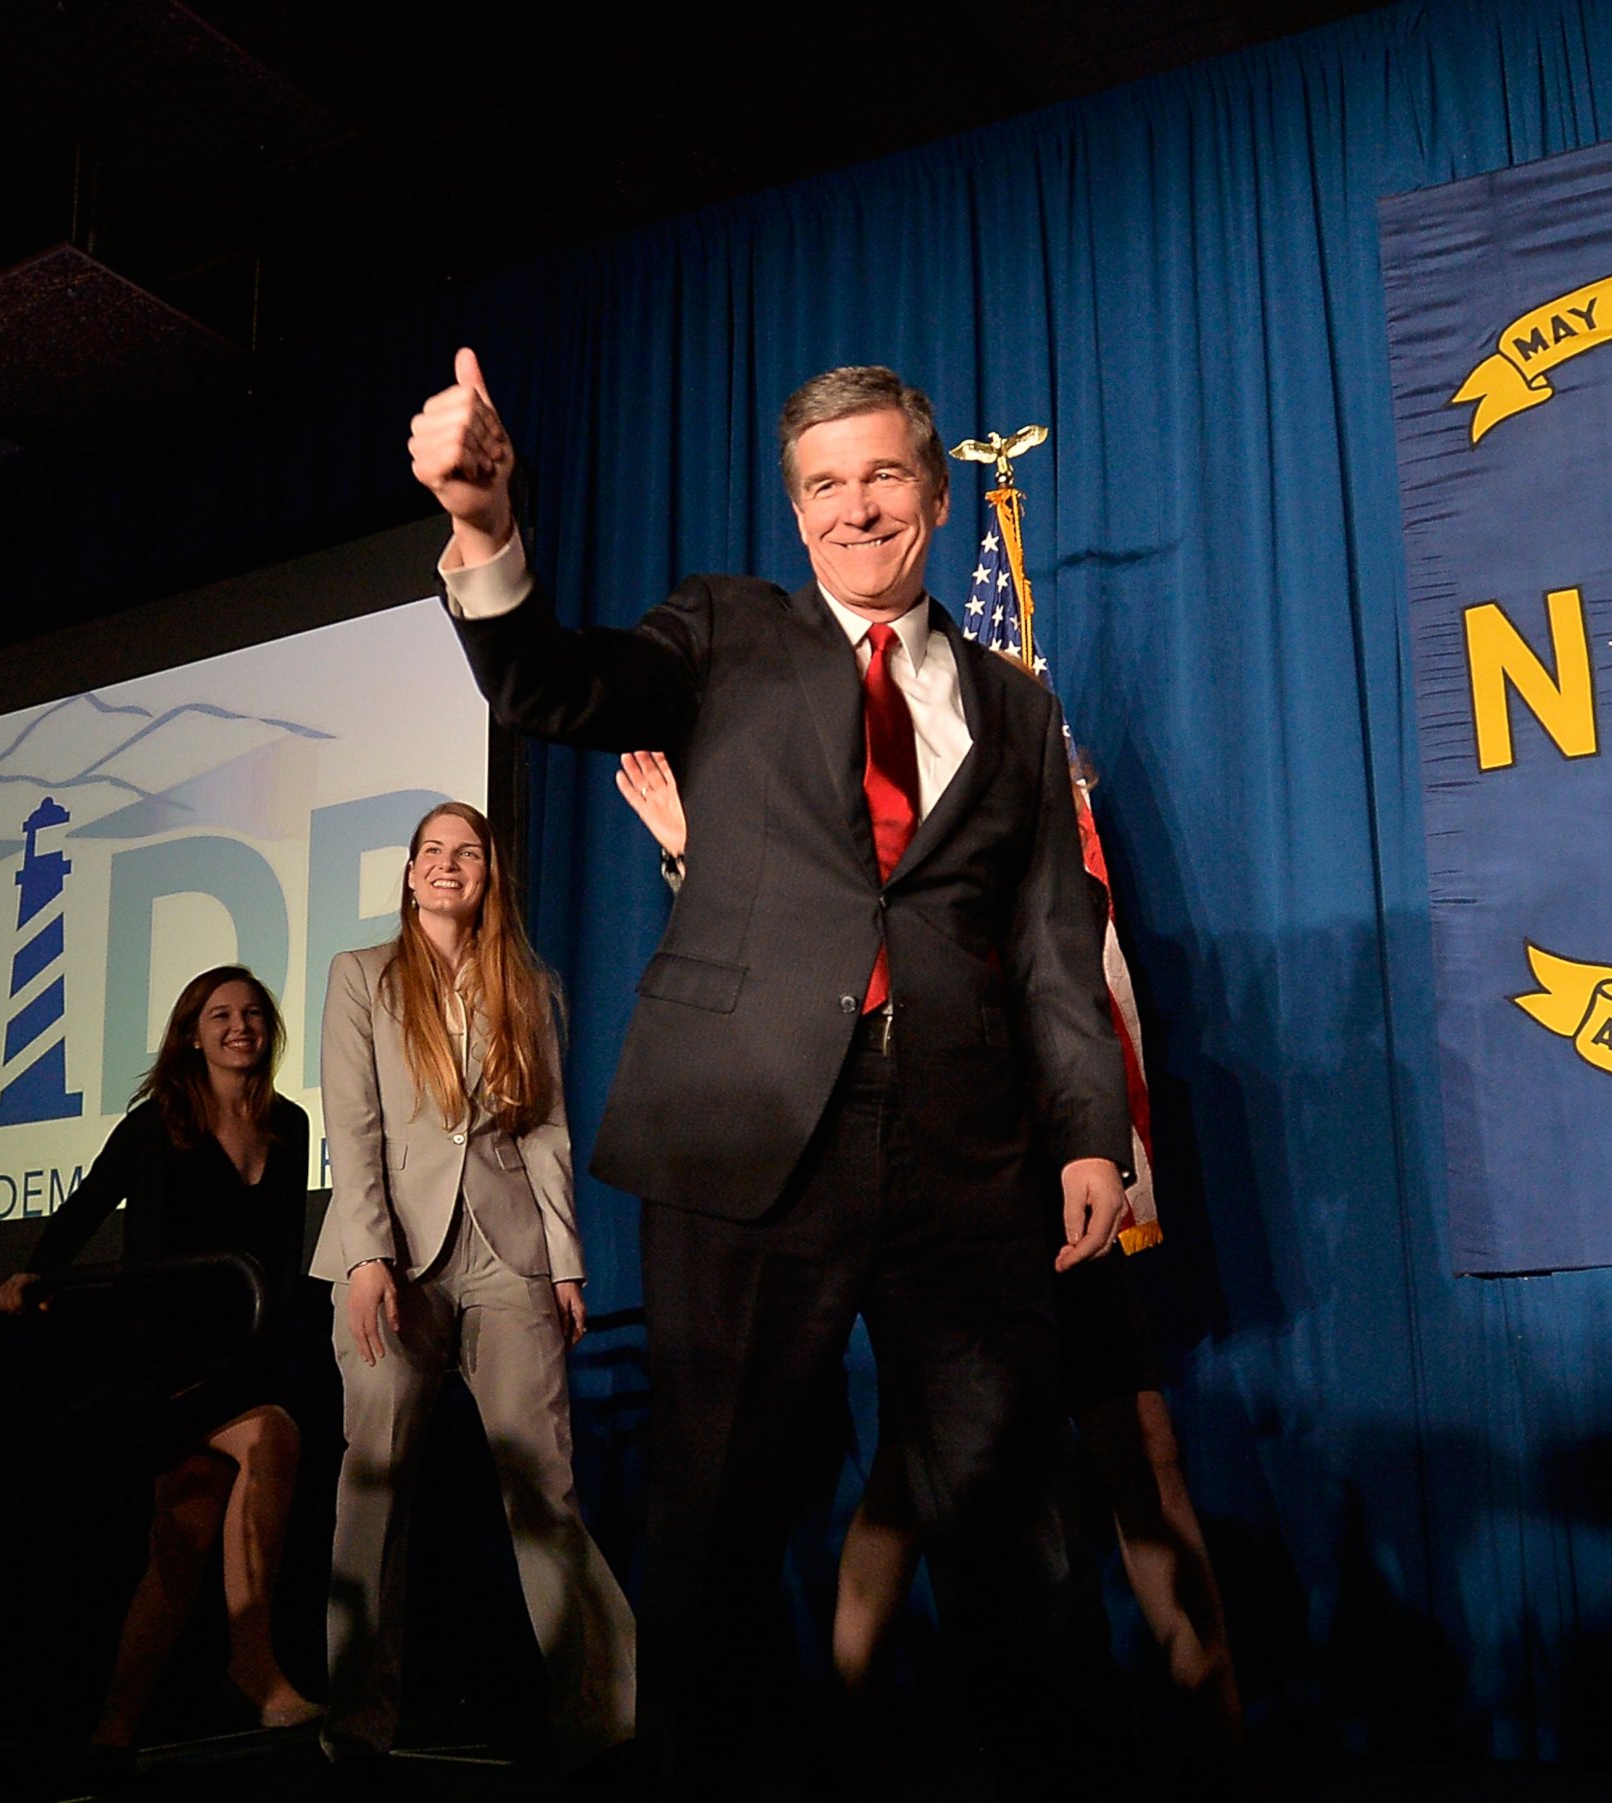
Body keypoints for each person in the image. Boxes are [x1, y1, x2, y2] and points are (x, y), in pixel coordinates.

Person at [408, 351, 1137, 1798]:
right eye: (822, 485)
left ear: (934, 489)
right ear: (792, 508)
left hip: (964, 1150)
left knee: (1013, 1524)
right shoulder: (725, 630)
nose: (854, 509)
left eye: (879, 476)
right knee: (722, 1522)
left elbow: (1055, 941)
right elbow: (560, 683)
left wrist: (1090, 1134)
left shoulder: (1014, 706)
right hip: (747, 1140)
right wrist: (486, 529)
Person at [617, 749, 1254, 1781]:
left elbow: (1075, 996)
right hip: (950, 1200)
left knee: (1143, 1446)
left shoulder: (1036, 851)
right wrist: (698, 858)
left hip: (1057, 1186)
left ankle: (1221, 1747)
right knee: (913, 1474)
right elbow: (785, 959)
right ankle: (851, 1731)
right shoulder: (870, 849)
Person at [311, 800, 636, 1769]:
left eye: (469, 853)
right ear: (410, 874)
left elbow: (545, 1131)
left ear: (490, 876)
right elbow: (353, 1122)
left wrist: (567, 1263)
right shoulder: (361, 975)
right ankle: (357, 1726)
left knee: (545, 1487)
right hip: (393, 1259)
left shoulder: (523, 986)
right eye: (433, 853)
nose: (449, 866)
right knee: (374, 1491)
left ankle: (611, 1718)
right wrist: (368, 1257)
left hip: (509, 1254)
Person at [0, 965, 321, 1771]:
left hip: (244, 1352)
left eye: (251, 1013)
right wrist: (32, 1271)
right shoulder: (158, 1122)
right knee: (271, 1443)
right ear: (192, 1033)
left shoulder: (292, 1124)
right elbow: (86, 1206)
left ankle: (111, 1734)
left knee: (181, 1543)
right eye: (220, 1014)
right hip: (165, 1359)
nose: (239, 1025)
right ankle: (252, 1660)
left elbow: (279, 1256)